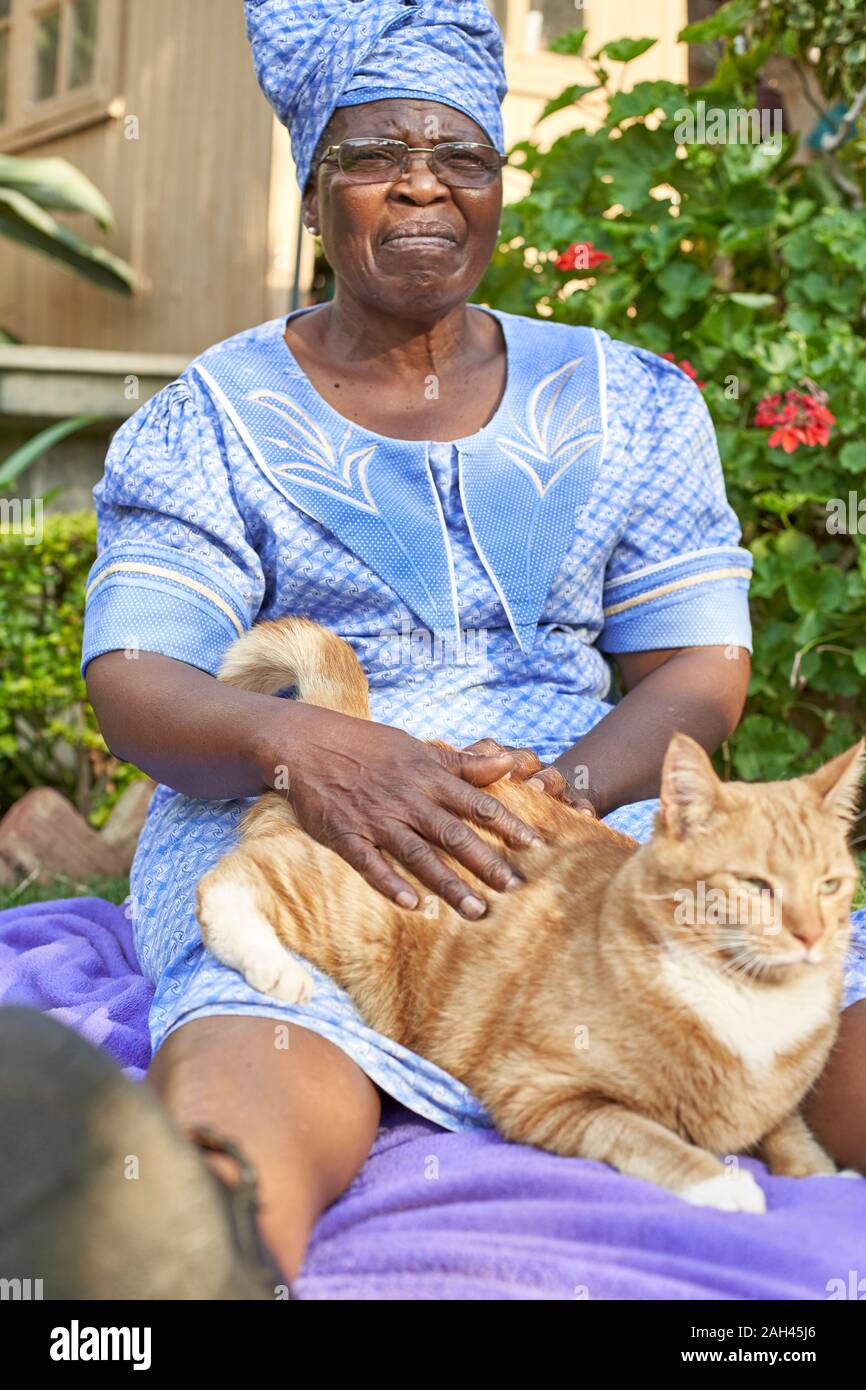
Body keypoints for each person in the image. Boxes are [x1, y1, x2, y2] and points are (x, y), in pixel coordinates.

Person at [81, 0, 866, 1286]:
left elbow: (695, 664)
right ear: (313, 188)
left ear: (498, 184)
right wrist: (312, 749)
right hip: (292, 846)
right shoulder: (206, 418)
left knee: (831, 1030)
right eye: (377, 156)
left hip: (579, 852)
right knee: (228, 1140)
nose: (423, 188)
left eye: (461, 157)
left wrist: (570, 786)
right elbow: (136, 680)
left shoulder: (625, 398)